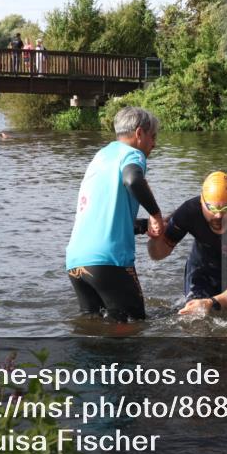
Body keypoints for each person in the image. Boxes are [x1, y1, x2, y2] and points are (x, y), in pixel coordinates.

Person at [65, 106, 165, 322]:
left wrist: (142, 225)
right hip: (108, 262)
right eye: (153, 136)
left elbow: (105, 217)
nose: (154, 144)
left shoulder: (101, 157)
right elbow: (133, 180)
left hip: (76, 262)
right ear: (139, 133)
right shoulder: (132, 154)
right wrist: (156, 214)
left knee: (92, 328)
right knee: (134, 325)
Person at [147, 172, 227, 316]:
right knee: (194, 317)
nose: (219, 215)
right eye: (213, 208)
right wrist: (156, 237)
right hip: (201, 272)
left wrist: (211, 302)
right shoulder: (189, 212)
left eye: (225, 208)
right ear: (202, 202)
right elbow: (158, 254)